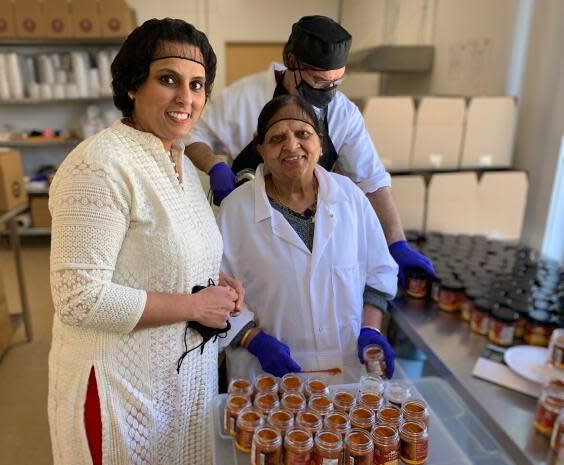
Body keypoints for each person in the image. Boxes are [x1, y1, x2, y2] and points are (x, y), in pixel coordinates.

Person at [47, 18, 244, 465]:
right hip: (119, 391)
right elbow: (79, 298)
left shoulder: (176, 159)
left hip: (175, 387)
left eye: (198, 85)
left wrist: (215, 281)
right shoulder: (100, 164)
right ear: (134, 83)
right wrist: (196, 306)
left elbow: (163, 252)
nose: (186, 98)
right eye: (168, 79)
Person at [186, 15, 434, 287]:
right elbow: (192, 135)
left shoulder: (342, 113)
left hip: (314, 236)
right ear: (292, 61)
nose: (328, 92)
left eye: (335, 83)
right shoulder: (244, 97)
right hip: (248, 233)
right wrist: (215, 166)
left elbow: (372, 180)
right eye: (318, 81)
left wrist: (396, 243)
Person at [216, 95, 398, 384]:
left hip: (346, 373)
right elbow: (215, 290)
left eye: (303, 134)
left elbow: (379, 275)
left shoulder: (350, 197)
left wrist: (371, 330)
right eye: (277, 138)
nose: (292, 146)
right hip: (266, 378)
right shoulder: (235, 211)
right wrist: (251, 337)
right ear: (260, 150)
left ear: (320, 143)